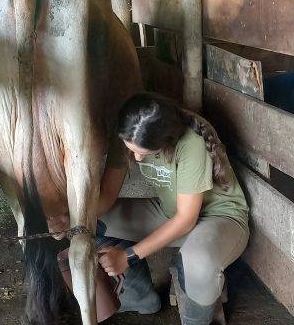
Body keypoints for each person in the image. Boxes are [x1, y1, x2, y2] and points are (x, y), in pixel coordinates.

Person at [49, 92, 250, 325]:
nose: (137, 158)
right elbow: (105, 199)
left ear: (166, 139)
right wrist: (70, 219)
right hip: (169, 213)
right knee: (93, 222)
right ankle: (139, 296)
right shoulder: (129, 134)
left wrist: (129, 256)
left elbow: (186, 219)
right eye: (131, 150)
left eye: (144, 153)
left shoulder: (190, 143)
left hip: (219, 218)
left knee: (198, 262)